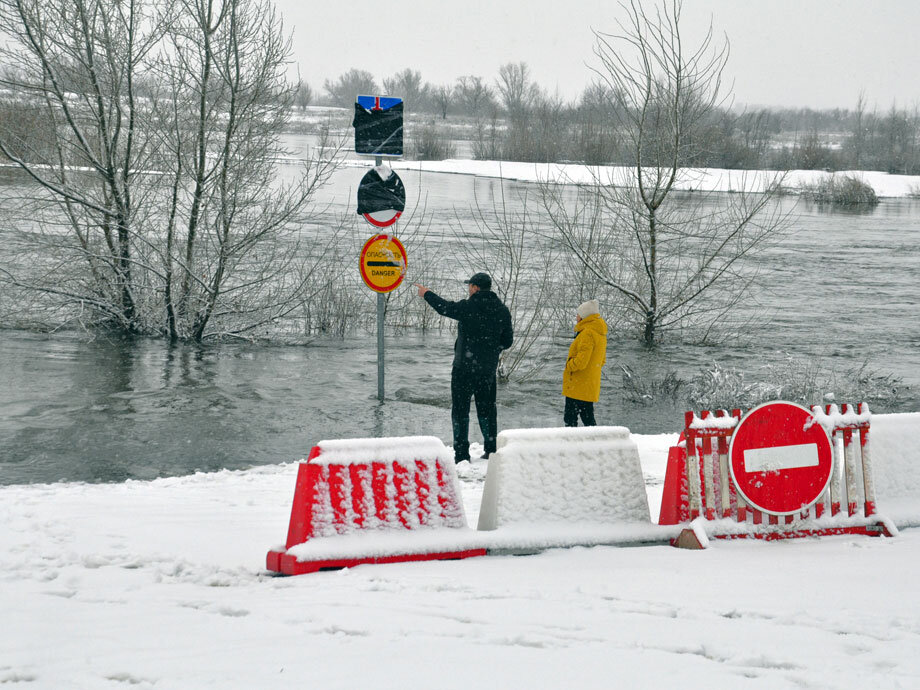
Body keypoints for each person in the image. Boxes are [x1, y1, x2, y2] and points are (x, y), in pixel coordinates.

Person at [415, 273, 513, 463]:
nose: (469, 289)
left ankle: (461, 455)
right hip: (487, 370)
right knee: (487, 410)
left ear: (475, 288)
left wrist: (427, 294)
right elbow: (507, 341)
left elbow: (444, 307)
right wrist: (492, 350)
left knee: (460, 411)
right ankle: (491, 450)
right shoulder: (502, 310)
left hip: (463, 369)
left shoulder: (468, 307)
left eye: (470, 286)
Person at [563, 299, 608, 427]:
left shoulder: (587, 333)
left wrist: (569, 365)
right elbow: (602, 360)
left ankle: (572, 446)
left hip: (577, 385)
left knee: (570, 420)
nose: (576, 317)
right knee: (588, 420)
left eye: (578, 314)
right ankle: (594, 444)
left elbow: (581, 362)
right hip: (589, 385)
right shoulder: (600, 333)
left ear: (584, 316)